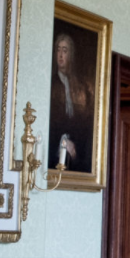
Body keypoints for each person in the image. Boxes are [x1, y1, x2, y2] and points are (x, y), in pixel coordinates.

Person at [48, 32, 95, 173]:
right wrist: (62, 141)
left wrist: (74, 143)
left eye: (65, 51)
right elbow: (50, 122)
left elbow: (83, 123)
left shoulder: (79, 87)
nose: (60, 55)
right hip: (54, 152)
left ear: (71, 55)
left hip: (75, 153)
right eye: (58, 50)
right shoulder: (51, 83)